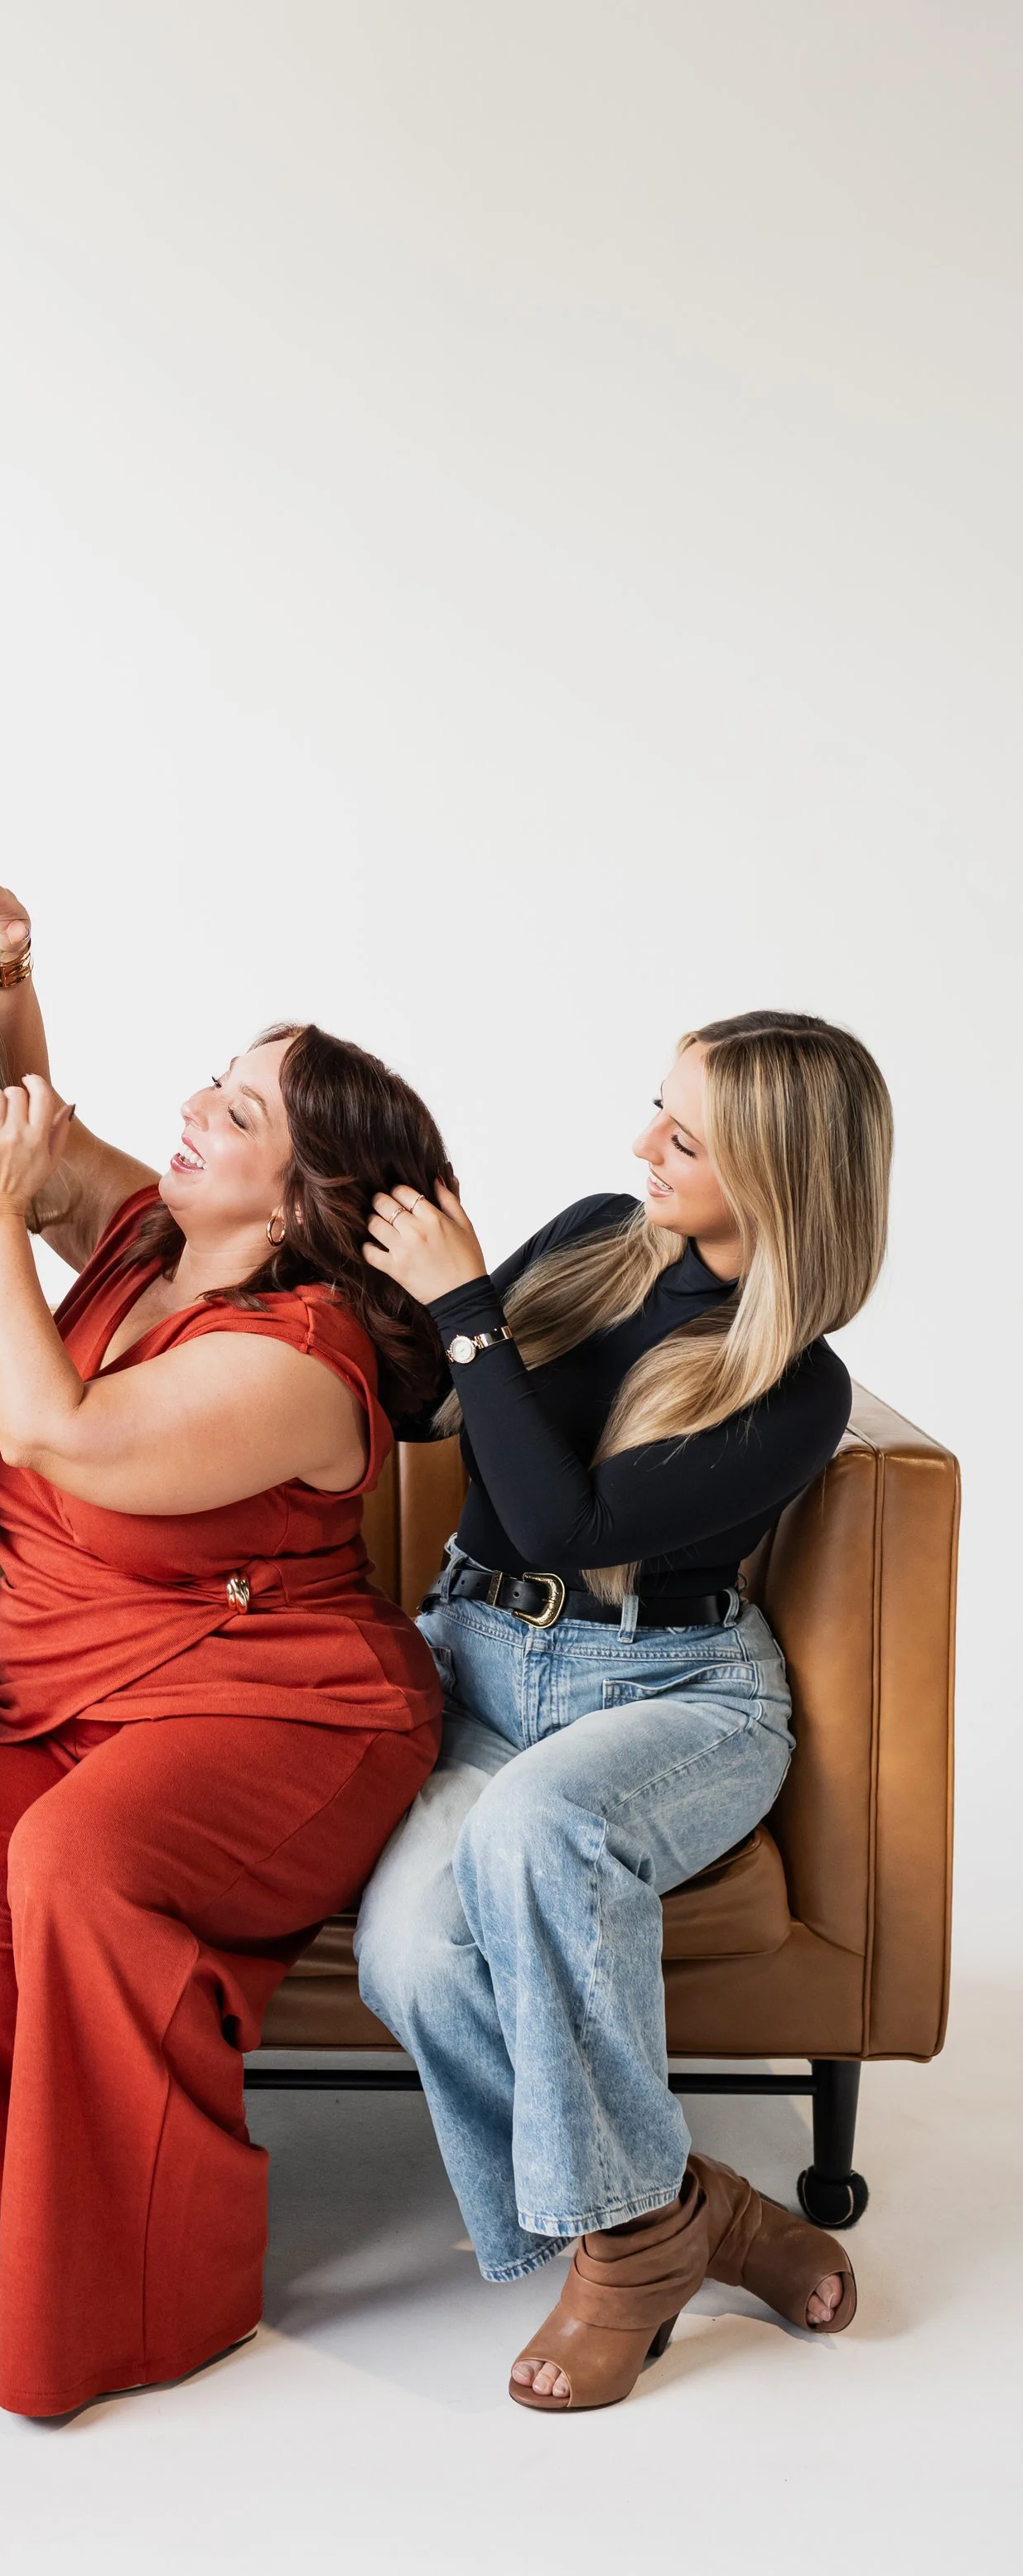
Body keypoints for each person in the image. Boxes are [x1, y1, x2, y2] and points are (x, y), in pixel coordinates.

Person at [0, 877, 447, 2420]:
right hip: (72, 1697)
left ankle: (154, 2301)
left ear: (302, 1190)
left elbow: (57, 1431)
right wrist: (5, 966)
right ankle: (56, 2224)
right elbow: (28, 1133)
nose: (195, 1104)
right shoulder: (150, 1238)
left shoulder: (300, 1354)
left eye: (241, 1106)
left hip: (286, 1710)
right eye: (217, 1072)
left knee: (78, 1863)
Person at [352, 1011, 892, 2412]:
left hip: (676, 1691)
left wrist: (469, 1307)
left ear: (776, 1175)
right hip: (475, 1663)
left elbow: (559, 1522)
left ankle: (620, 2264)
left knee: (536, 1830)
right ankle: (671, 2215)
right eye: (658, 1108)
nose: (640, 1144)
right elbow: (435, 1410)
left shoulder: (796, 1386)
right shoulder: (602, 1235)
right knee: (407, 1954)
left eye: (686, 1135)